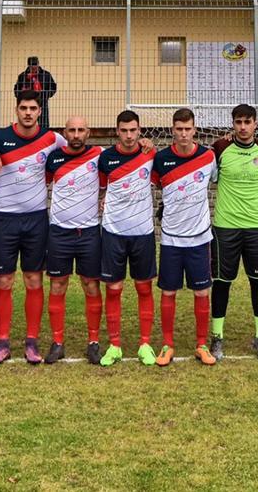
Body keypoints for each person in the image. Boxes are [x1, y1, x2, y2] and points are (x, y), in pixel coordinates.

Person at [0, 93, 67, 365]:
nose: (28, 113)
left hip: (36, 219)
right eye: (23, 108)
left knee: (34, 280)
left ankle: (32, 342)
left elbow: (77, 150)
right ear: (16, 110)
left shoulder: (52, 139)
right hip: (5, 220)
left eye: (33, 108)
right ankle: (3, 343)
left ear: (39, 111)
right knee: (3, 280)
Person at [207, 103, 258, 361]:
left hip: (256, 228)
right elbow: (205, 172)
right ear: (233, 124)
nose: (243, 127)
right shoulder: (220, 148)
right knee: (222, 283)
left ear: (255, 124)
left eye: (248, 122)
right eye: (238, 122)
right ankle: (217, 337)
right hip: (225, 227)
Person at [150, 108, 218, 367]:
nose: (183, 133)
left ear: (195, 129)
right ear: (172, 130)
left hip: (200, 238)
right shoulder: (161, 158)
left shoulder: (208, 157)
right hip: (171, 239)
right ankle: (167, 344)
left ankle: (201, 344)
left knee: (201, 292)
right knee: (168, 291)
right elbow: (157, 184)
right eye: (178, 129)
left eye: (187, 129)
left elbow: (214, 180)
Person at [97, 109, 159, 366]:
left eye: (133, 130)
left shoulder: (150, 154)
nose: (129, 135)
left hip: (143, 232)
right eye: (124, 130)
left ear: (140, 130)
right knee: (113, 289)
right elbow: (101, 188)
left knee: (144, 288)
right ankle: (114, 345)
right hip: (113, 232)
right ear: (116, 131)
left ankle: (145, 343)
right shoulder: (106, 158)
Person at [43, 115, 104, 364]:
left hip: (89, 232)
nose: (76, 134)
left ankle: (93, 342)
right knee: (58, 286)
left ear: (88, 133)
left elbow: (123, 162)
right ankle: (57, 343)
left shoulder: (100, 155)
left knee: (91, 285)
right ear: (64, 133)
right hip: (59, 232)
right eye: (72, 130)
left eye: (81, 130)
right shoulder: (54, 159)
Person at [12, 57, 58, 130]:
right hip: (27, 103)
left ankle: (44, 136)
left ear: (38, 64)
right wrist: (21, 97)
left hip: (42, 102)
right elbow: (16, 89)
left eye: (35, 65)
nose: (34, 67)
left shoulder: (46, 75)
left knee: (44, 123)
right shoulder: (23, 76)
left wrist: (45, 96)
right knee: (26, 121)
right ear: (28, 65)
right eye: (32, 65)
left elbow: (53, 87)